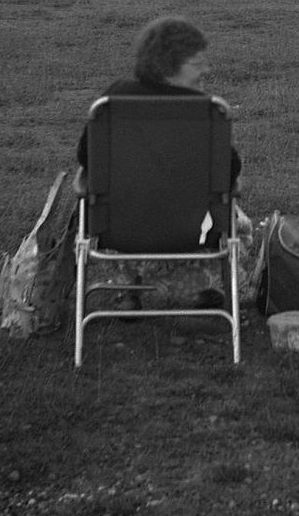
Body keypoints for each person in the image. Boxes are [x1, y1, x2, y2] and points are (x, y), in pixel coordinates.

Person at [76, 16, 248, 309]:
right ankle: (193, 288)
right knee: (233, 219)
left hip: (119, 230)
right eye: (196, 62)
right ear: (167, 67)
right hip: (191, 232)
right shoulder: (205, 113)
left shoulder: (112, 101)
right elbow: (229, 171)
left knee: (101, 200)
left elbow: (85, 157)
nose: (206, 69)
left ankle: (130, 291)